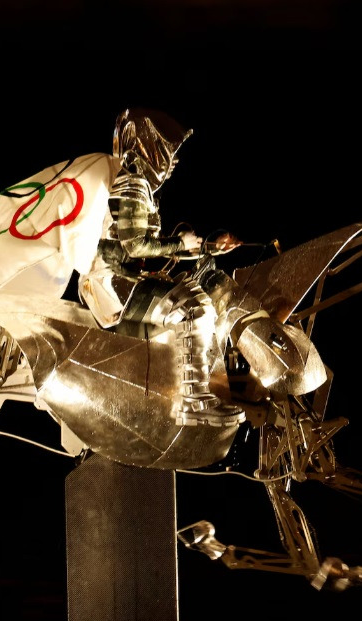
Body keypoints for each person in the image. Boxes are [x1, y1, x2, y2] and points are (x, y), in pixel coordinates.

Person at [77, 109, 322, 427]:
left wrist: (208, 248)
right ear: (151, 146)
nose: (173, 160)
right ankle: (195, 401)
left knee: (204, 288)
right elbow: (136, 245)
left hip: (123, 282)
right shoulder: (131, 183)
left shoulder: (138, 186)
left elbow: (148, 246)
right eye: (168, 150)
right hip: (114, 287)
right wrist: (180, 243)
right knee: (195, 307)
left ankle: (216, 379)